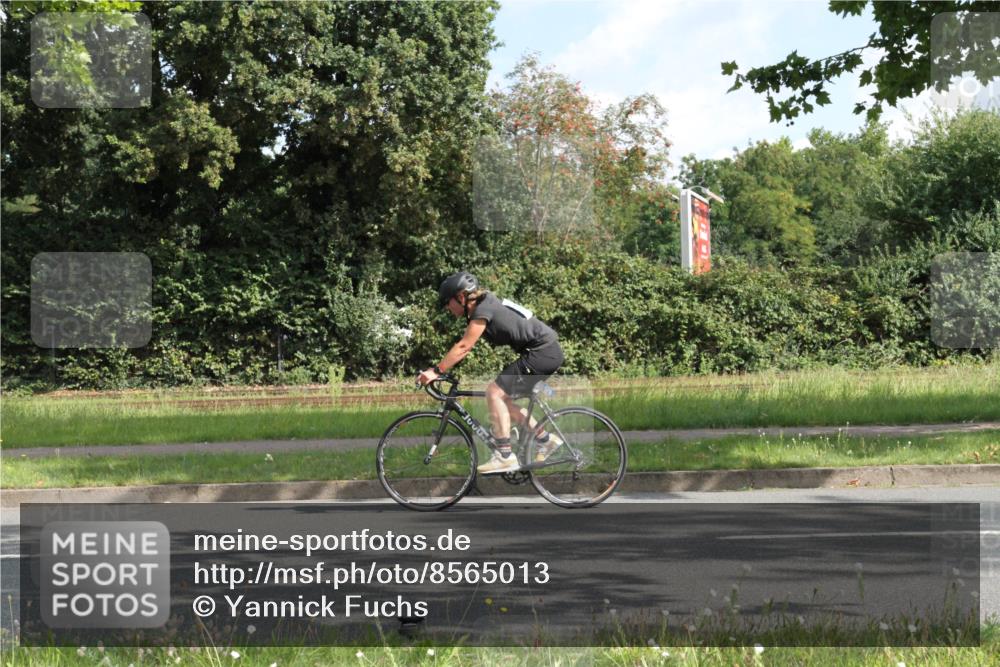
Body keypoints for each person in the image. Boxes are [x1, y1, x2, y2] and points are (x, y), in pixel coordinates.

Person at [417, 271, 565, 474]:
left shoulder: (483, 309)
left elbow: (464, 347)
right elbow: (465, 347)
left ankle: (504, 456)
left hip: (542, 353)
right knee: (502, 399)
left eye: (447, 302)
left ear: (461, 297)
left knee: (494, 392)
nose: (446, 307)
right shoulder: (485, 306)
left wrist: (436, 371)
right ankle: (546, 440)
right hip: (543, 352)